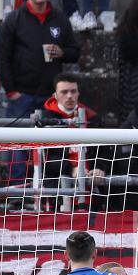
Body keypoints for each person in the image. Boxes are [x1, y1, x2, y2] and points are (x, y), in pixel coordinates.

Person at [0, 0, 80, 186]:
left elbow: (75, 52)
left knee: (54, 147)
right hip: (22, 95)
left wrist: (62, 52)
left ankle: (49, 190)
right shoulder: (14, 19)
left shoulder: (60, 19)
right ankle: (17, 190)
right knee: (18, 146)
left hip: (51, 97)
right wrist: (11, 90)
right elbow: (3, 56)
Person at [35, 73, 108, 210]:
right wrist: (72, 169)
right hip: (56, 189)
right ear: (55, 95)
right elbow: (44, 161)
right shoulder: (45, 120)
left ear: (78, 93)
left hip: (91, 188)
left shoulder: (92, 118)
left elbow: (103, 150)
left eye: (73, 91)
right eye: (64, 92)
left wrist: (99, 168)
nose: (69, 96)